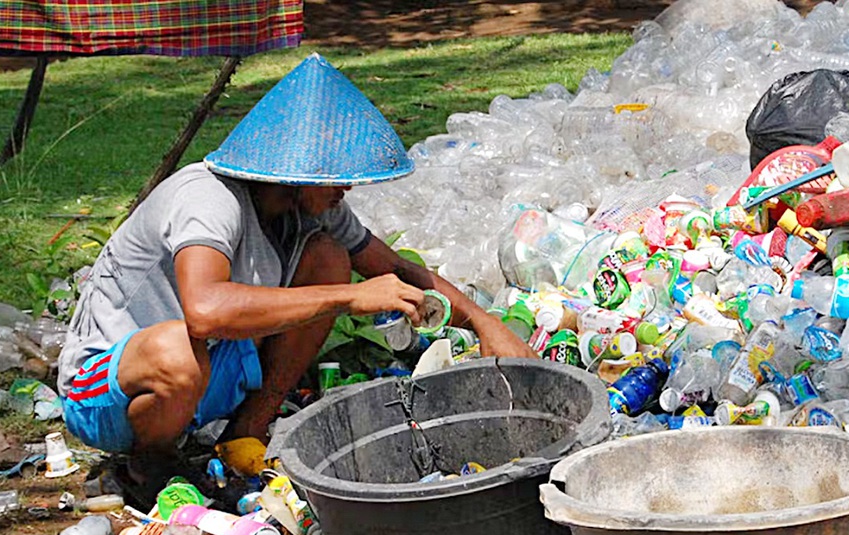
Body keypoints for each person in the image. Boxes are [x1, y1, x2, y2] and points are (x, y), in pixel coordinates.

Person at [57, 54, 534, 482]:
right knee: (177, 350)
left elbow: (393, 268)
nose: (344, 190)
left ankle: (246, 431)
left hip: (204, 375)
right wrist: (348, 297)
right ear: (295, 171)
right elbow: (203, 311)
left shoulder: (314, 208)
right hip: (104, 392)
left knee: (330, 257)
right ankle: (150, 463)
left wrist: (485, 324)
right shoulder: (208, 198)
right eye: (336, 178)